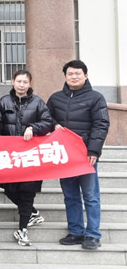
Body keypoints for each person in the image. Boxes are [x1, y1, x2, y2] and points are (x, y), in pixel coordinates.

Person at [48, 60, 110, 250]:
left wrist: (94, 150)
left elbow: (101, 124)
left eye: (78, 73)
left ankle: (92, 234)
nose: (74, 77)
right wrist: (54, 125)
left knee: (90, 195)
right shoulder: (55, 98)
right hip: (65, 156)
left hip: (86, 156)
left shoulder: (96, 98)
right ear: (65, 76)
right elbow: (46, 118)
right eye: (70, 74)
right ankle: (75, 231)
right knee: (70, 195)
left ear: (86, 75)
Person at [0, 69, 53, 246]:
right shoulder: (3, 102)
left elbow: (48, 122)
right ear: (13, 82)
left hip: (30, 156)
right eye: (18, 81)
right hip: (9, 155)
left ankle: (22, 230)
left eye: (25, 82)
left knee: (27, 191)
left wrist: (33, 128)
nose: (21, 85)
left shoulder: (38, 102)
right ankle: (32, 213)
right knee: (8, 188)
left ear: (30, 83)